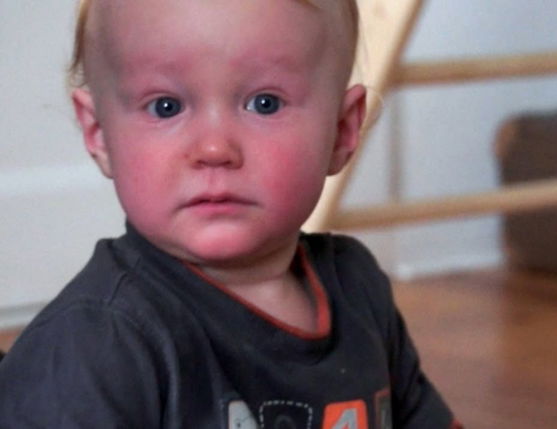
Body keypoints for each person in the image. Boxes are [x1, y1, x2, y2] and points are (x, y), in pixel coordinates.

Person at [0, 0, 461, 427]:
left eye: (265, 103)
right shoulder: (99, 341)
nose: (214, 148)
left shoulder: (358, 288)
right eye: (166, 106)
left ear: (341, 131)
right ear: (100, 134)